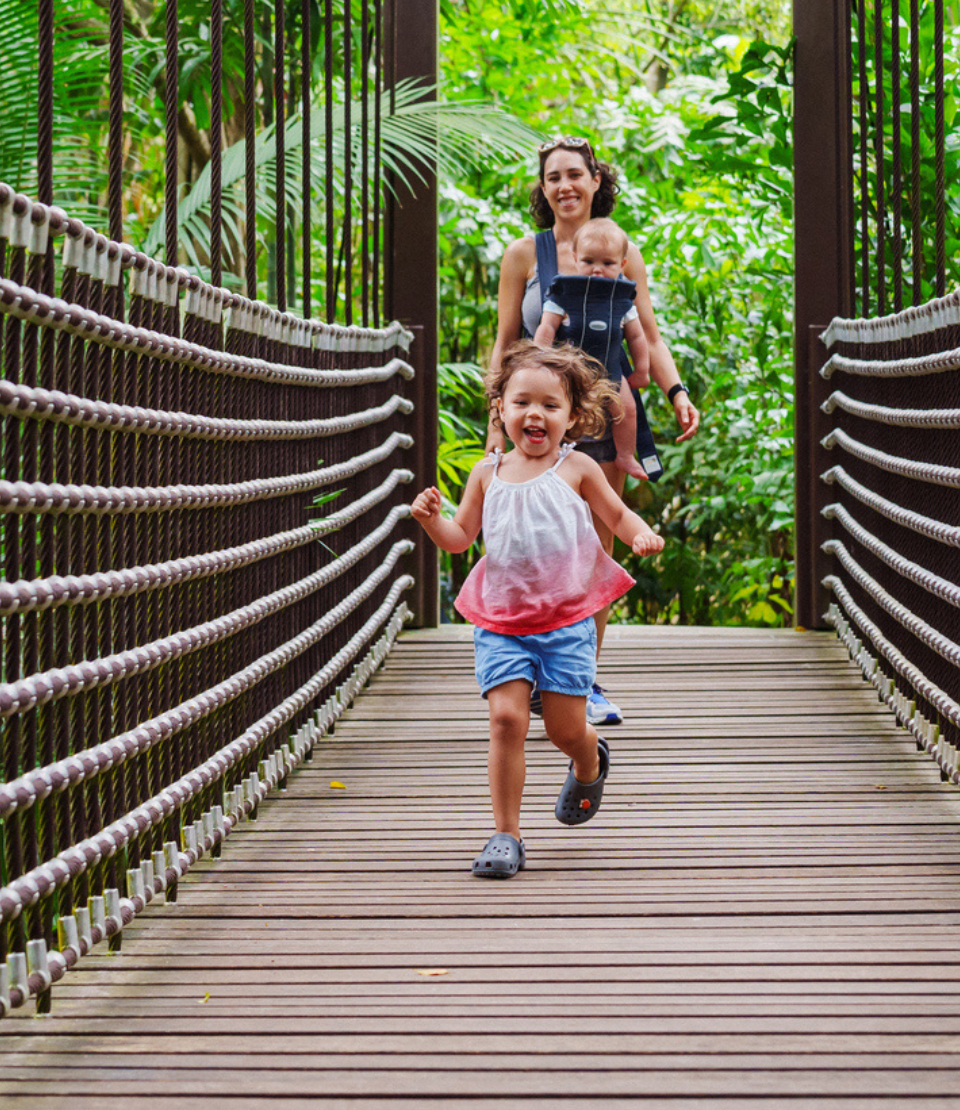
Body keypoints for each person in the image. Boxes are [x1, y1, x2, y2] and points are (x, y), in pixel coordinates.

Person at [412, 342, 665, 878]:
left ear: (573, 418)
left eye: (550, 406)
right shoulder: (487, 473)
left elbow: (616, 516)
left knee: (564, 731)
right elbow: (461, 540)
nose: (535, 414)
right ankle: (506, 834)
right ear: (500, 408)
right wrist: (434, 521)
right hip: (502, 619)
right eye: (521, 401)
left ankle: (588, 760)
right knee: (506, 719)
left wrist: (642, 535)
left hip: (566, 621)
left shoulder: (576, 468)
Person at [487, 135, 700, 727]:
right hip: (536, 421)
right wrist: (494, 421)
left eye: (575, 175)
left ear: (595, 180)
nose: (565, 186)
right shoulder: (522, 255)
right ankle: (529, 671)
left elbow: (647, 336)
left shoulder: (617, 249)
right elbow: (507, 342)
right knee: (532, 548)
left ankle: (582, 681)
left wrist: (675, 391)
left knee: (596, 547)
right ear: (544, 187)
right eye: (553, 176)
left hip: (606, 416)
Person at [534, 217, 649, 481]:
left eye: (607, 263)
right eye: (588, 262)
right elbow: (546, 328)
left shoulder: (621, 300)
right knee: (560, 410)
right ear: (575, 259)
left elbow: (637, 337)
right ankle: (552, 452)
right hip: (568, 372)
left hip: (609, 371)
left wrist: (642, 370)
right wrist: (539, 361)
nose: (597, 270)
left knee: (627, 409)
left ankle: (625, 455)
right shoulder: (564, 294)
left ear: (622, 265)